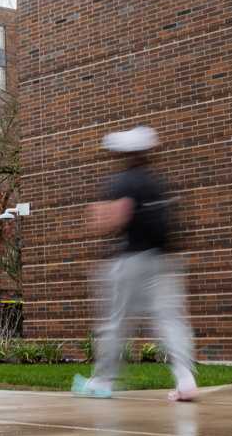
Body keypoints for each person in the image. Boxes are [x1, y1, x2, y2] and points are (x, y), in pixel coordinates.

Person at [73, 126, 198, 402]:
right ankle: (185, 378)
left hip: (130, 260)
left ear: (125, 154)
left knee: (116, 322)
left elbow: (115, 217)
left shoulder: (123, 182)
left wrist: (98, 217)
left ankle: (102, 381)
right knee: (170, 320)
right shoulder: (157, 183)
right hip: (164, 260)